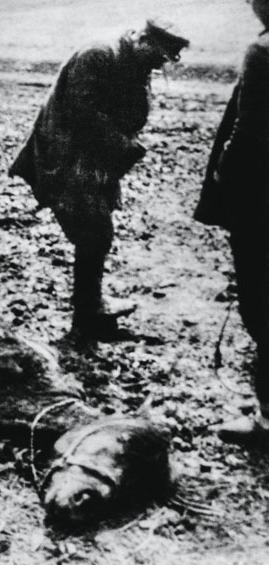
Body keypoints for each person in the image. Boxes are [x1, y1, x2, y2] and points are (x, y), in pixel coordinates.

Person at [10, 21, 189, 341]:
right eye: (160, 54)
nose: (162, 63)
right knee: (94, 232)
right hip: (65, 157)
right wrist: (126, 146)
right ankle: (88, 317)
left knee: (96, 232)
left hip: (92, 160)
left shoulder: (131, 63)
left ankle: (90, 311)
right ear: (142, 38)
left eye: (169, 58)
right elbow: (83, 113)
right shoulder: (98, 55)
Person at [196, 0, 269, 444]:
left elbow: (250, 130)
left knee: (263, 306)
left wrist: (224, 180)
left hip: (261, 199)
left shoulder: (262, 52)